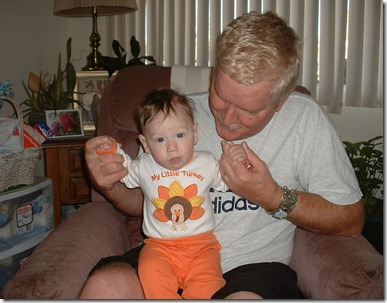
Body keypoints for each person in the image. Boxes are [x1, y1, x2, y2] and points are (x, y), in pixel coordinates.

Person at [80, 11, 364, 299]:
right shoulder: (175, 118)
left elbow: (350, 219)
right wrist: (110, 184)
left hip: (253, 268)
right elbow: (143, 200)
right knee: (106, 286)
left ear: (280, 102)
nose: (228, 119)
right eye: (221, 96)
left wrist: (273, 196)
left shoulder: (304, 119)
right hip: (165, 254)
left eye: (249, 110)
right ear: (214, 73)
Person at [93, 88, 247, 299]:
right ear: (145, 144)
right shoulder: (144, 165)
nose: (172, 148)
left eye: (180, 135)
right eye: (160, 140)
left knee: (209, 284)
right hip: (159, 247)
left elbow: (227, 182)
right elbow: (125, 171)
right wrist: (112, 151)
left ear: (195, 133)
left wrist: (237, 161)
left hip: (202, 247)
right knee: (150, 274)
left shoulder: (207, 162)